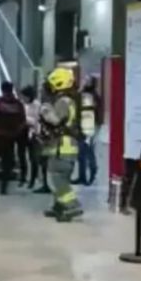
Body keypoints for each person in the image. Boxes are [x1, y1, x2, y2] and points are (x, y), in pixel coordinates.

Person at [38, 68, 84, 222]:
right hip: (66, 147)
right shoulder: (70, 100)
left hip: (62, 147)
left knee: (57, 179)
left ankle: (72, 205)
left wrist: (45, 109)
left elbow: (55, 120)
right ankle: (59, 207)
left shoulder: (63, 101)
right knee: (59, 178)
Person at [72, 76, 103, 186]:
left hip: (89, 126)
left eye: (86, 81)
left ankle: (92, 171)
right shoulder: (84, 94)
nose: (84, 82)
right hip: (83, 125)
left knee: (87, 150)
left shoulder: (91, 96)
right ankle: (82, 176)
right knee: (81, 152)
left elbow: (90, 111)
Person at [21, 85, 49, 192]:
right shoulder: (25, 105)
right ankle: (32, 180)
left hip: (36, 135)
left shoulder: (37, 106)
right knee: (31, 158)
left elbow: (37, 121)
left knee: (36, 159)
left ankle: (37, 180)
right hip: (27, 134)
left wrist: (26, 119)